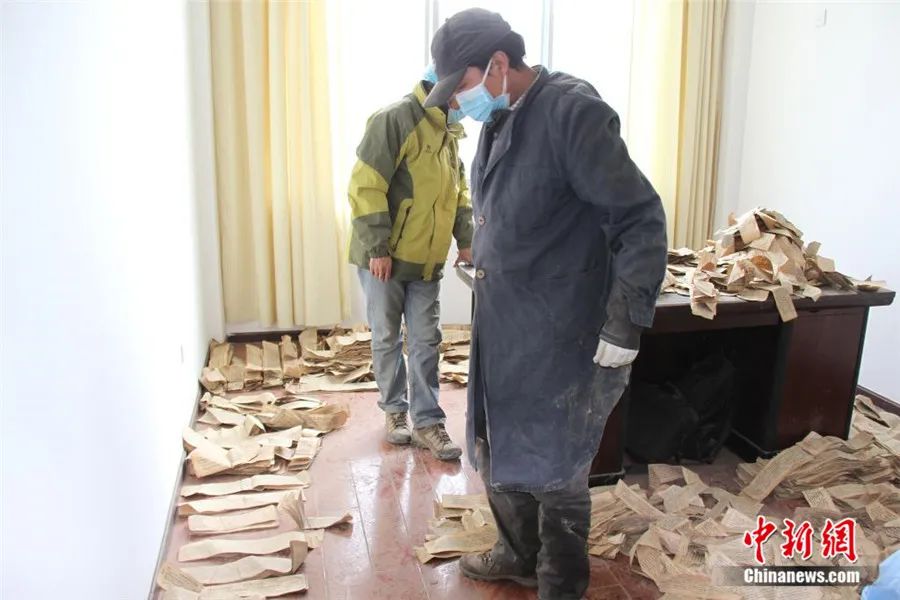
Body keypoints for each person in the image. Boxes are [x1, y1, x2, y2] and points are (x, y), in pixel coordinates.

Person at [423, 8, 668, 598]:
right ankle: (518, 552)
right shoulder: (500, 117)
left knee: (555, 463)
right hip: (506, 319)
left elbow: (639, 218)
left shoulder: (571, 113)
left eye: (461, 85)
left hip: (562, 327)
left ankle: (560, 581)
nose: (457, 101)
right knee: (497, 440)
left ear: (499, 64)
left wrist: (626, 320)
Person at [347, 69, 473, 461]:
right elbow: (366, 185)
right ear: (451, 87)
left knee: (425, 340)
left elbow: (458, 192)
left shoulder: (449, 133)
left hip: (426, 261)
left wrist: (467, 240)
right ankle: (394, 411)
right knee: (387, 336)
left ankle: (427, 422)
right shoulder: (395, 119)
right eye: (470, 89)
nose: (476, 98)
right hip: (384, 258)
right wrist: (377, 247)